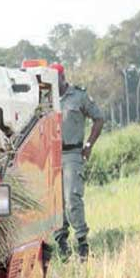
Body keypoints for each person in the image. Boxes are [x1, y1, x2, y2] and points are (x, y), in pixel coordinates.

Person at [50, 63, 105, 261]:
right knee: (56, 201)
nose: (53, 82)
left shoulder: (79, 96)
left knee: (72, 198)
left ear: (63, 76)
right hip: (51, 156)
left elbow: (99, 118)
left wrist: (89, 144)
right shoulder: (46, 99)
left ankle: (82, 242)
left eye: (55, 78)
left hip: (72, 153)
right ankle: (61, 243)